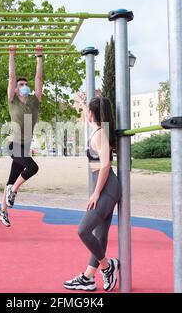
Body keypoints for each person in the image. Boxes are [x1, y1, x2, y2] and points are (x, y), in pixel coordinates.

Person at [64, 97, 122, 292]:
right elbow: (88, 118)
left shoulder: (100, 134)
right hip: (105, 186)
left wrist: (96, 193)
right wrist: (82, 104)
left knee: (83, 231)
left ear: (94, 113)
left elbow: (106, 164)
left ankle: (107, 266)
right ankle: (88, 278)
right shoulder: (98, 130)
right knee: (100, 234)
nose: (86, 114)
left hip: (106, 188)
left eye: (88, 110)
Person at [0, 45, 43, 227]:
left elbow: (39, 78)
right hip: (14, 145)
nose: (24, 86)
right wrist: (11, 55)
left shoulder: (34, 101)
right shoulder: (12, 101)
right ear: (15, 89)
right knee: (32, 167)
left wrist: (39, 56)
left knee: (11, 180)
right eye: (20, 85)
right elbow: (11, 77)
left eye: (25, 85)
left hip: (25, 146)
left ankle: (2, 209)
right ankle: (13, 192)